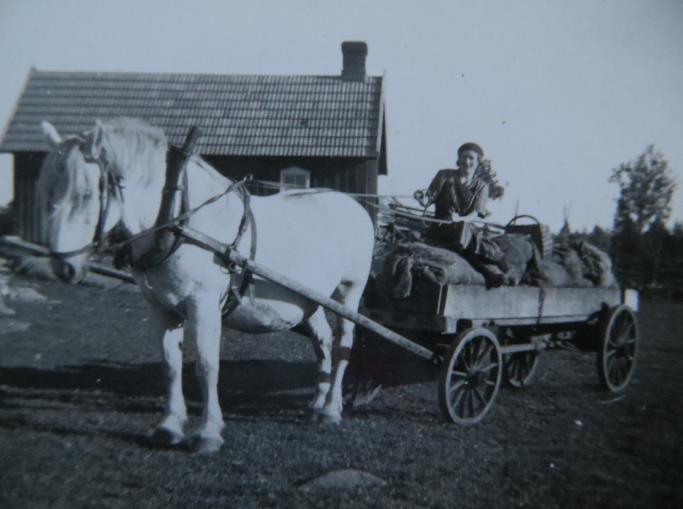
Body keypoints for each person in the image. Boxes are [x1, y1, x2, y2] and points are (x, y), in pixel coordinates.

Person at [413, 142, 508, 287]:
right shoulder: (444, 175)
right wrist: (421, 198)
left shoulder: (482, 187)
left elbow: (475, 213)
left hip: (463, 230)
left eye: (471, 158)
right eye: (463, 157)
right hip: (440, 228)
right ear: (458, 159)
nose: (466, 162)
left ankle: (489, 273)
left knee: (470, 249)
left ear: (478, 162)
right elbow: (428, 199)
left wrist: (459, 219)